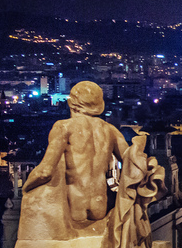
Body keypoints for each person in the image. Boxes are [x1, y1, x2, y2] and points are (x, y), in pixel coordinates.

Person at [23, 81, 128, 223]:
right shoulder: (110, 130)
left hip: (74, 205)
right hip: (100, 205)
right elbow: (132, 161)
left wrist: (26, 187)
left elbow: (45, 171)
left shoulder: (63, 127)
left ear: (71, 103)